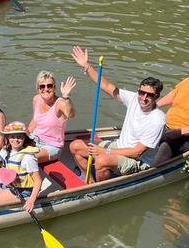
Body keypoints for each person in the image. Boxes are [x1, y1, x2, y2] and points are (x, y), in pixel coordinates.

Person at [69, 46, 166, 182]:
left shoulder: (157, 119)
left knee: (102, 160)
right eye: (141, 93)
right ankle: (90, 183)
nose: (144, 98)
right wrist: (87, 66)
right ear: (138, 90)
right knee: (76, 146)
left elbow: (137, 152)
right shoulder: (133, 99)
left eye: (149, 95)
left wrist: (105, 152)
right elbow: (107, 87)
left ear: (156, 96)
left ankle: (102, 188)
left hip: (138, 160)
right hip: (120, 147)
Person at [0, 121, 43, 212]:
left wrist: (31, 200)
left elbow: (38, 180)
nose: (16, 140)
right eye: (12, 137)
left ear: (25, 138)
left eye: (19, 137)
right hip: (7, 183)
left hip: (22, 190)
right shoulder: (5, 151)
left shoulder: (28, 158)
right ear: (8, 138)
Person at [27, 71, 77, 163]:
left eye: (49, 86)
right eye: (42, 86)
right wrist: (25, 134)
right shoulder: (36, 99)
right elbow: (35, 120)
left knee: (28, 158)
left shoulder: (60, 103)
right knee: (12, 149)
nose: (46, 89)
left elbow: (71, 114)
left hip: (52, 146)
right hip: (34, 139)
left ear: (54, 88)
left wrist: (66, 96)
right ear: (38, 89)